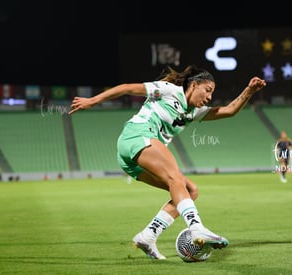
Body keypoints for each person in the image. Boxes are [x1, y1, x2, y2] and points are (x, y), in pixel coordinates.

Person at [69, 65, 267, 259]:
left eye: (212, 94)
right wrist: (92, 101)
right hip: (136, 136)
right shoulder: (169, 91)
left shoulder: (193, 112)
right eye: (207, 90)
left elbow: (229, 111)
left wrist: (249, 91)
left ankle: (148, 236)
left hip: (131, 160)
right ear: (193, 85)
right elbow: (127, 88)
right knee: (175, 176)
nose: (209, 97)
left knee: (190, 190)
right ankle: (197, 228)